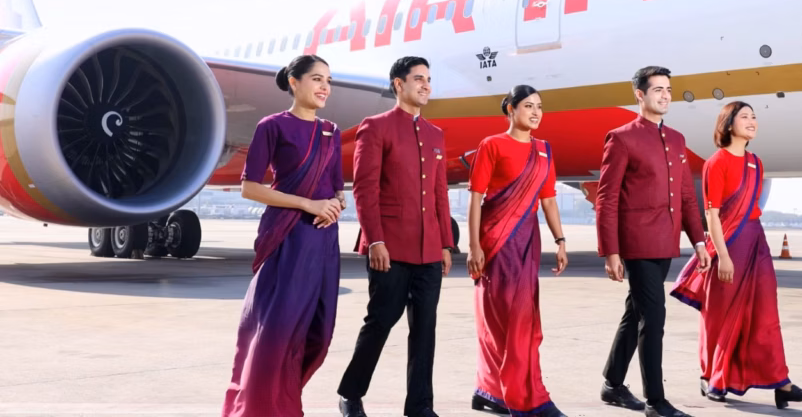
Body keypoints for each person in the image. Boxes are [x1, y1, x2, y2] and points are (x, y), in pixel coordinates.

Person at [222, 55, 346, 417]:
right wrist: (310, 204)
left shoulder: (332, 132)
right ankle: (263, 409)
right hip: (287, 237)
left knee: (318, 336)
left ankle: (282, 399)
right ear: (294, 82)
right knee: (276, 334)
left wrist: (335, 204)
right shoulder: (272, 126)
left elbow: (338, 188)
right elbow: (250, 188)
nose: (325, 87)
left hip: (324, 240)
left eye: (329, 80)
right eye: (317, 79)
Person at [670, 101, 802, 410]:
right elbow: (712, 215)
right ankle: (712, 377)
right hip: (728, 243)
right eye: (745, 117)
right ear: (728, 124)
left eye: (754, 117)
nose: (752, 121)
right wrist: (722, 256)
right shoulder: (716, 162)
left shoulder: (756, 162)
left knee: (765, 314)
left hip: (755, 242)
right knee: (719, 316)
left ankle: (781, 383)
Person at [338, 56, 454, 417]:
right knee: (381, 321)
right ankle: (350, 394)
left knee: (425, 330)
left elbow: (439, 194)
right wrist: (374, 240)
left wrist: (446, 243)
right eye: (418, 79)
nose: (425, 85)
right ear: (397, 84)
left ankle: (420, 406)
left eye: (429, 79)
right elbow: (365, 189)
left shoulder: (436, 135)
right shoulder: (375, 127)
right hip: (388, 247)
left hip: (429, 251)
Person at [596, 66, 710, 417]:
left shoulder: (676, 139)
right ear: (640, 95)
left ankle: (612, 384)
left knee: (637, 313)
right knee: (654, 319)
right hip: (637, 242)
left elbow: (687, 198)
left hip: (666, 242)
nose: (664, 95)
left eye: (669, 90)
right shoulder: (622, 137)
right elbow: (607, 197)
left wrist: (700, 241)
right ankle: (656, 402)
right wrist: (611, 251)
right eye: (657, 89)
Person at [466, 85, 570, 417]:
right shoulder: (492, 145)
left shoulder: (544, 150)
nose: (536, 112)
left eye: (540, 106)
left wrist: (560, 240)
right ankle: (516, 397)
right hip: (496, 246)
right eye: (528, 106)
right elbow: (475, 199)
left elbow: (549, 199)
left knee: (525, 323)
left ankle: (501, 393)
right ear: (510, 109)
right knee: (499, 323)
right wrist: (473, 247)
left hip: (527, 245)